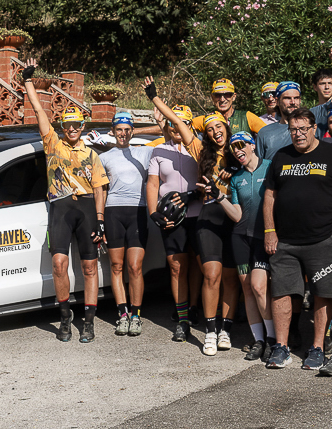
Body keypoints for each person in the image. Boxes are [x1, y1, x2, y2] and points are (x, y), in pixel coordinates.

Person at [261, 105, 332, 372]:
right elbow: (269, 196)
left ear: (314, 129)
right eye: (293, 129)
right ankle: (282, 347)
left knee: (324, 294)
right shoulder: (281, 157)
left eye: (302, 129)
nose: (297, 134)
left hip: (322, 240)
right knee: (281, 293)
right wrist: (269, 230)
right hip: (285, 242)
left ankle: (318, 347)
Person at [24, 67, 109, 343]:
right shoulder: (53, 145)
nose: (71, 129)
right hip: (60, 207)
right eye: (67, 126)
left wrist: (99, 219)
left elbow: (99, 188)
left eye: (76, 125)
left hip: (86, 209)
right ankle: (64, 317)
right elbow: (39, 112)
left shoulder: (91, 154)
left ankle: (89, 321)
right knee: (59, 264)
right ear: (62, 128)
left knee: (89, 267)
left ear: (84, 127)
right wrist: (28, 82)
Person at [144, 82, 202, 341]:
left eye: (185, 123)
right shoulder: (158, 150)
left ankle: (196, 307)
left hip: (199, 213)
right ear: (167, 126)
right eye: (176, 124)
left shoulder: (198, 147)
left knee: (199, 265)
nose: (179, 128)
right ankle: (182, 319)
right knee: (176, 267)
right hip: (172, 216)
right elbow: (153, 184)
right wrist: (153, 212)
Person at [188, 111, 242, 354]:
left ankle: (226, 330)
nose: (214, 132)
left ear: (227, 127)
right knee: (212, 275)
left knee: (231, 278)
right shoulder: (203, 152)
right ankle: (210, 331)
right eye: (209, 129)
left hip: (234, 216)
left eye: (218, 126)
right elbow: (181, 125)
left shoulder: (240, 147)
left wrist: (234, 166)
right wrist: (156, 99)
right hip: (209, 215)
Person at [99, 110, 156, 337]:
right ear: (113, 132)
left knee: (135, 267)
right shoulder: (104, 157)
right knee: (116, 266)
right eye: (119, 130)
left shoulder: (144, 152)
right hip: (113, 212)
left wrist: (137, 129)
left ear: (131, 131)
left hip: (138, 212)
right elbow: (100, 192)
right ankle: (122, 314)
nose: (122, 134)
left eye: (126, 130)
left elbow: (165, 131)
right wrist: (100, 220)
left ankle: (136, 314)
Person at [221, 131, 272, 360]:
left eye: (241, 145)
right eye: (233, 147)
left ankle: (272, 339)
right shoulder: (236, 178)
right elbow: (237, 214)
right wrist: (218, 197)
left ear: (252, 146)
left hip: (264, 237)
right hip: (240, 236)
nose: (237, 150)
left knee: (260, 287)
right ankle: (258, 340)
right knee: (248, 289)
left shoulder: (270, 167)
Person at [256, 82, 305, 162]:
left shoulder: (311, 126)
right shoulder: (264, 133)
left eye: (296, 98)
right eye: (287, 98)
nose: (293, 102)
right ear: (277, 101)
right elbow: (258, 166)